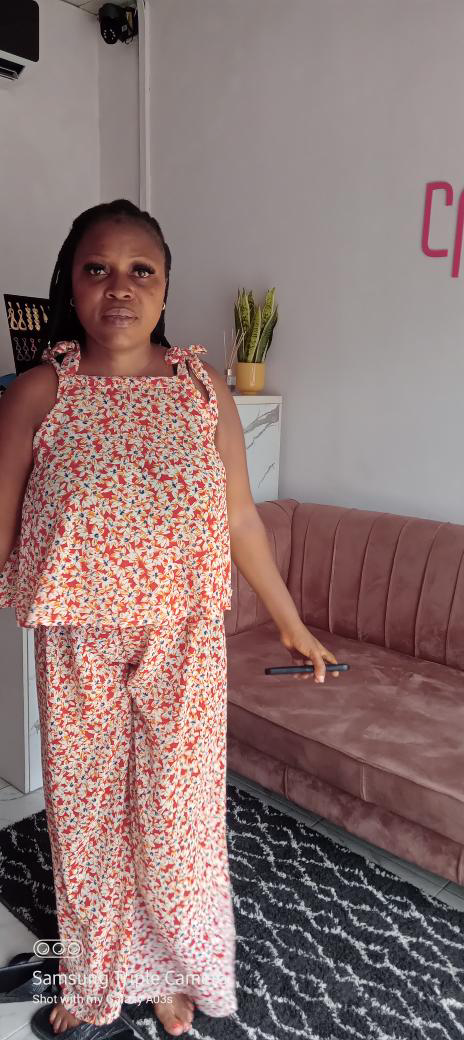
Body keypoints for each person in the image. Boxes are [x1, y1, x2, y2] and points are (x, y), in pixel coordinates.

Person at [0, 199, 339, 1038]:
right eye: (97, 269)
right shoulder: (41, 391)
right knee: (87, 816)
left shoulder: (200, 389)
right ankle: (94, 979)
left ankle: (173, 971)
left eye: (140, 270)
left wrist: (290, 620)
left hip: (182, 637)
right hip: (77, 635)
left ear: (164, 285)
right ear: (70, 284)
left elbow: (241, 520)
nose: (119, 287)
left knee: (177, 818)